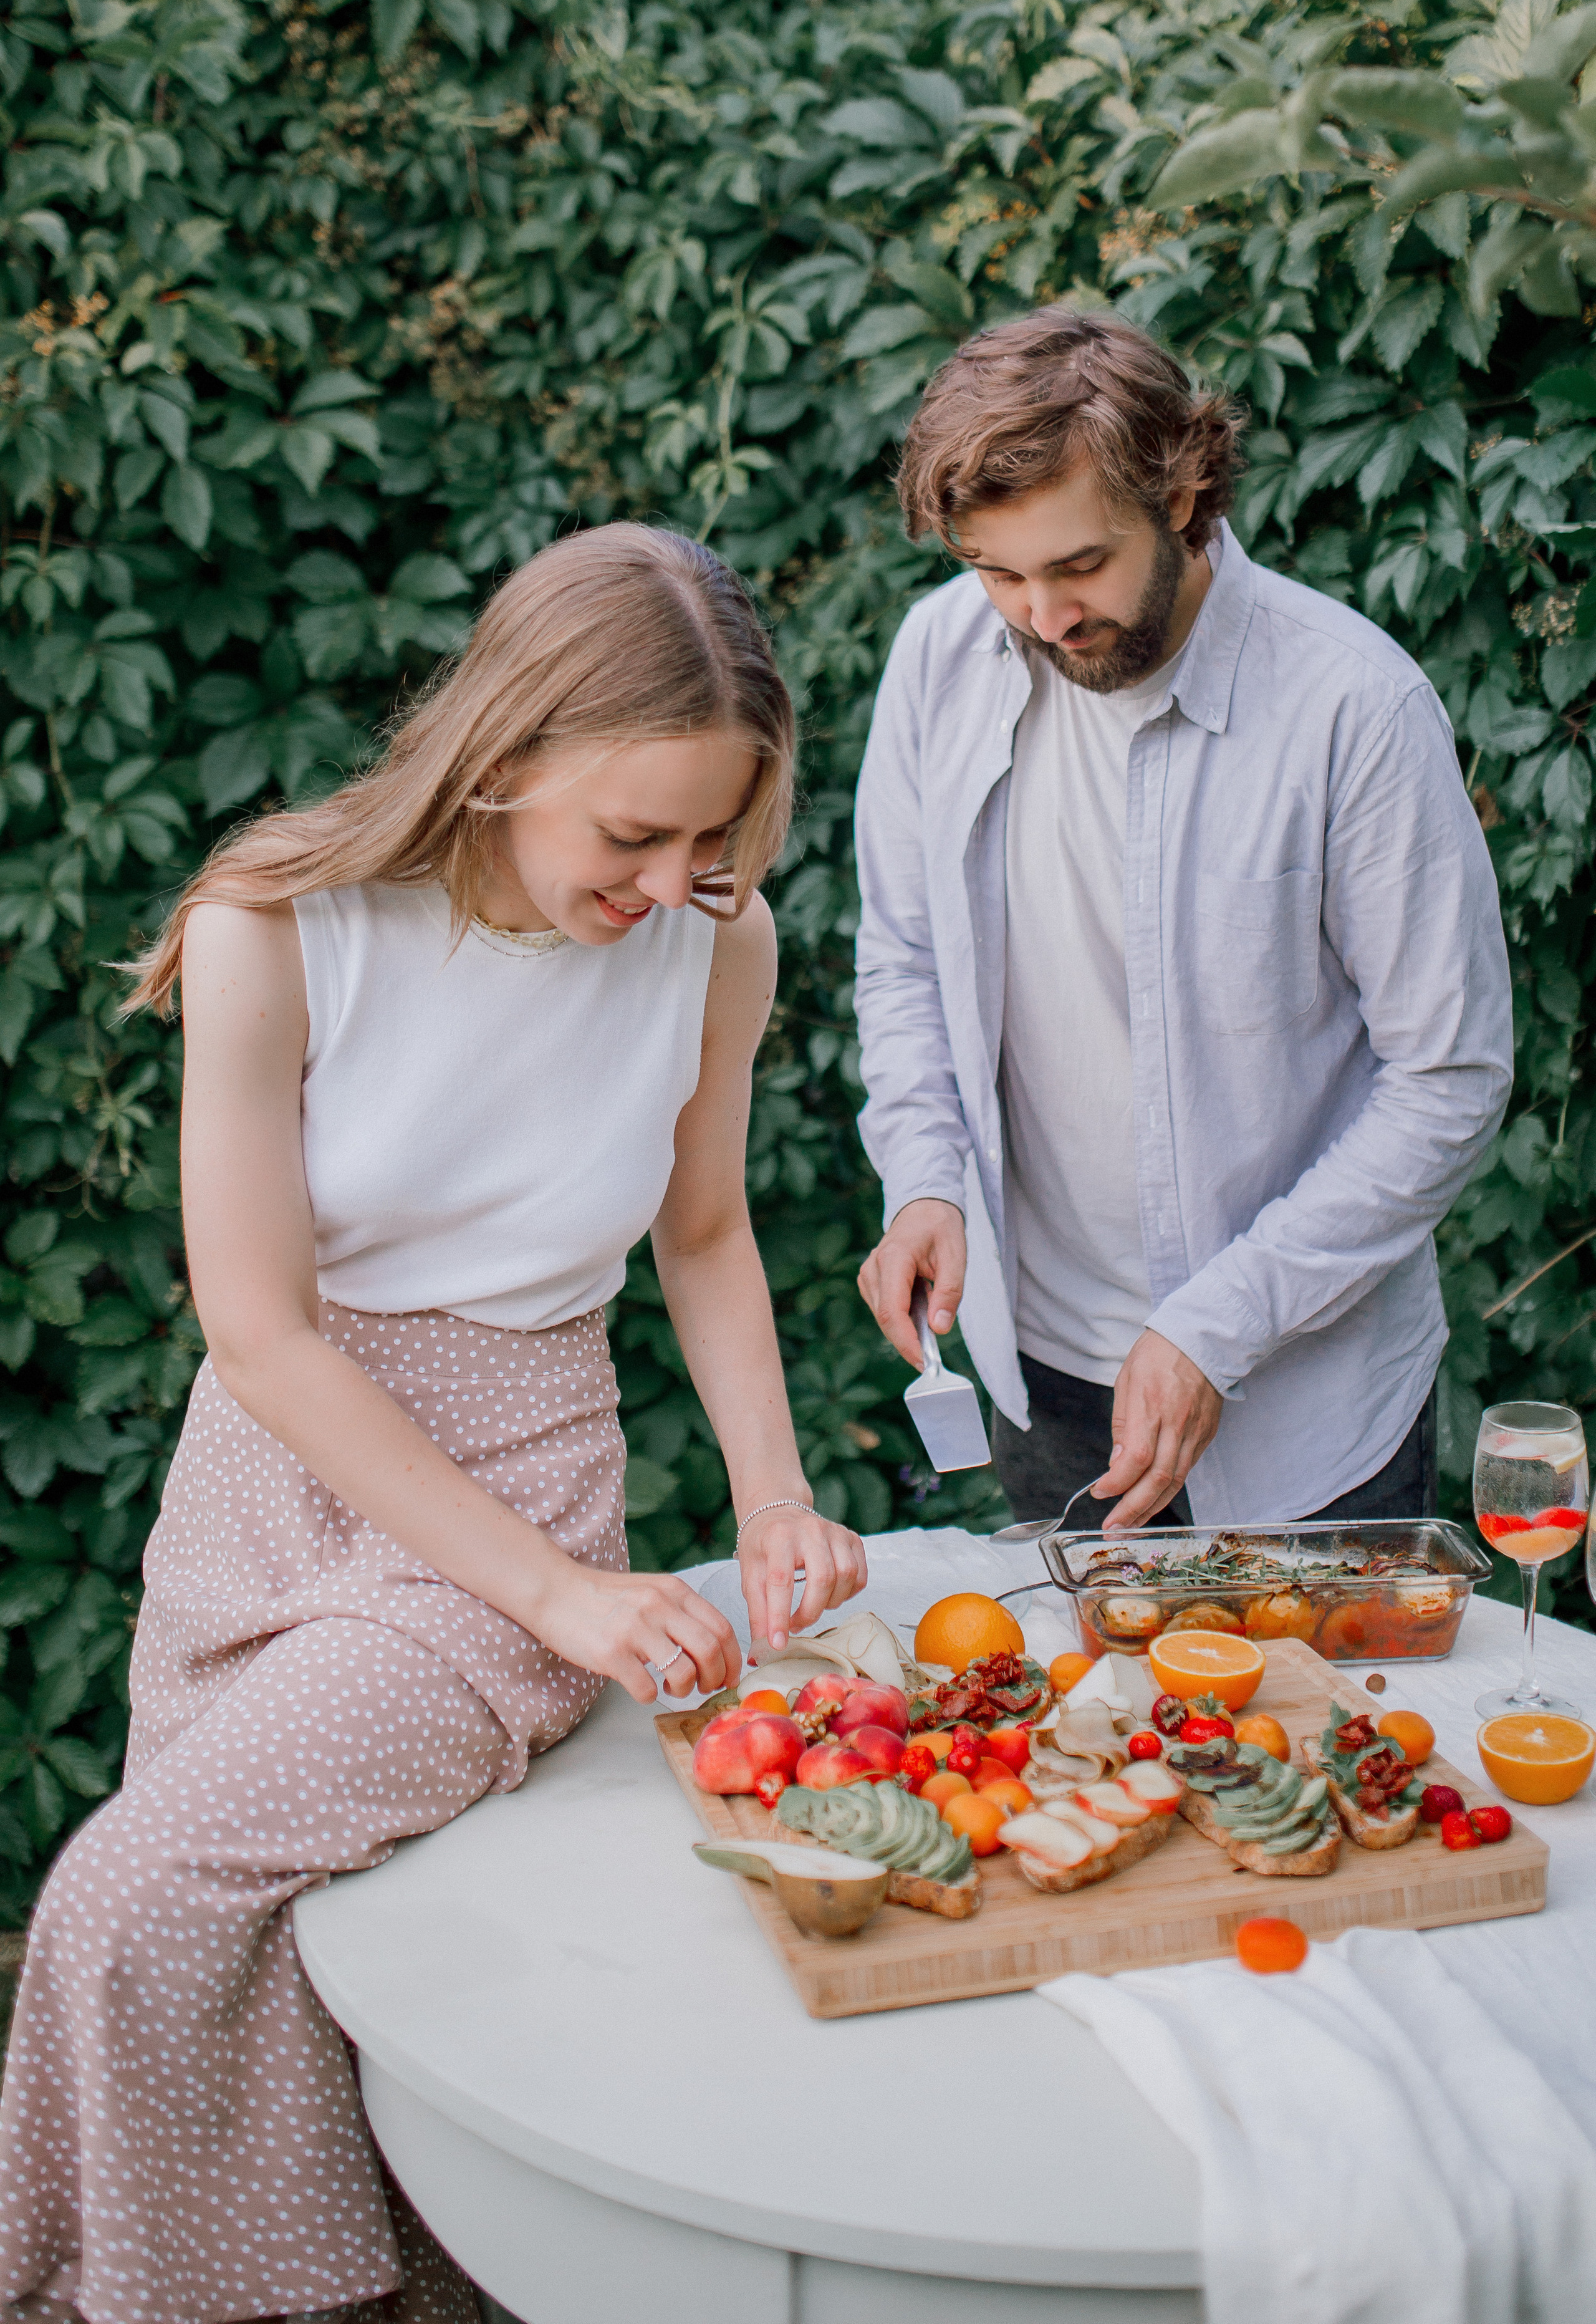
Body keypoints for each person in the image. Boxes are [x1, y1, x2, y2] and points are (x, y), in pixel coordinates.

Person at [0, 523, 865, 2324]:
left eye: (714, 838)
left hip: (522, 1501)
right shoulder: (276, 926)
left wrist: (768, 1498)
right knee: (269, 1972)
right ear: (502, 753)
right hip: (265, 1493)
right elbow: (260, 1332)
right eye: (634, 836)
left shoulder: (720, 944)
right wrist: (555, 1598)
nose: (672, 882)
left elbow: (702, 1235)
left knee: (124, 1901)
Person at [853, 307, 1512, 1535]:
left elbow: (1448, 1079)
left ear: (1183, 491)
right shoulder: (935, 662)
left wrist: (1216, 1325)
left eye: (1077, 565)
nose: (1040, 616)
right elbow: (902, 959)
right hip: (1042, 1385)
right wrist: (922, 1180)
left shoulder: (1353, 710)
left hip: (1307, 1416)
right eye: (997, 573)